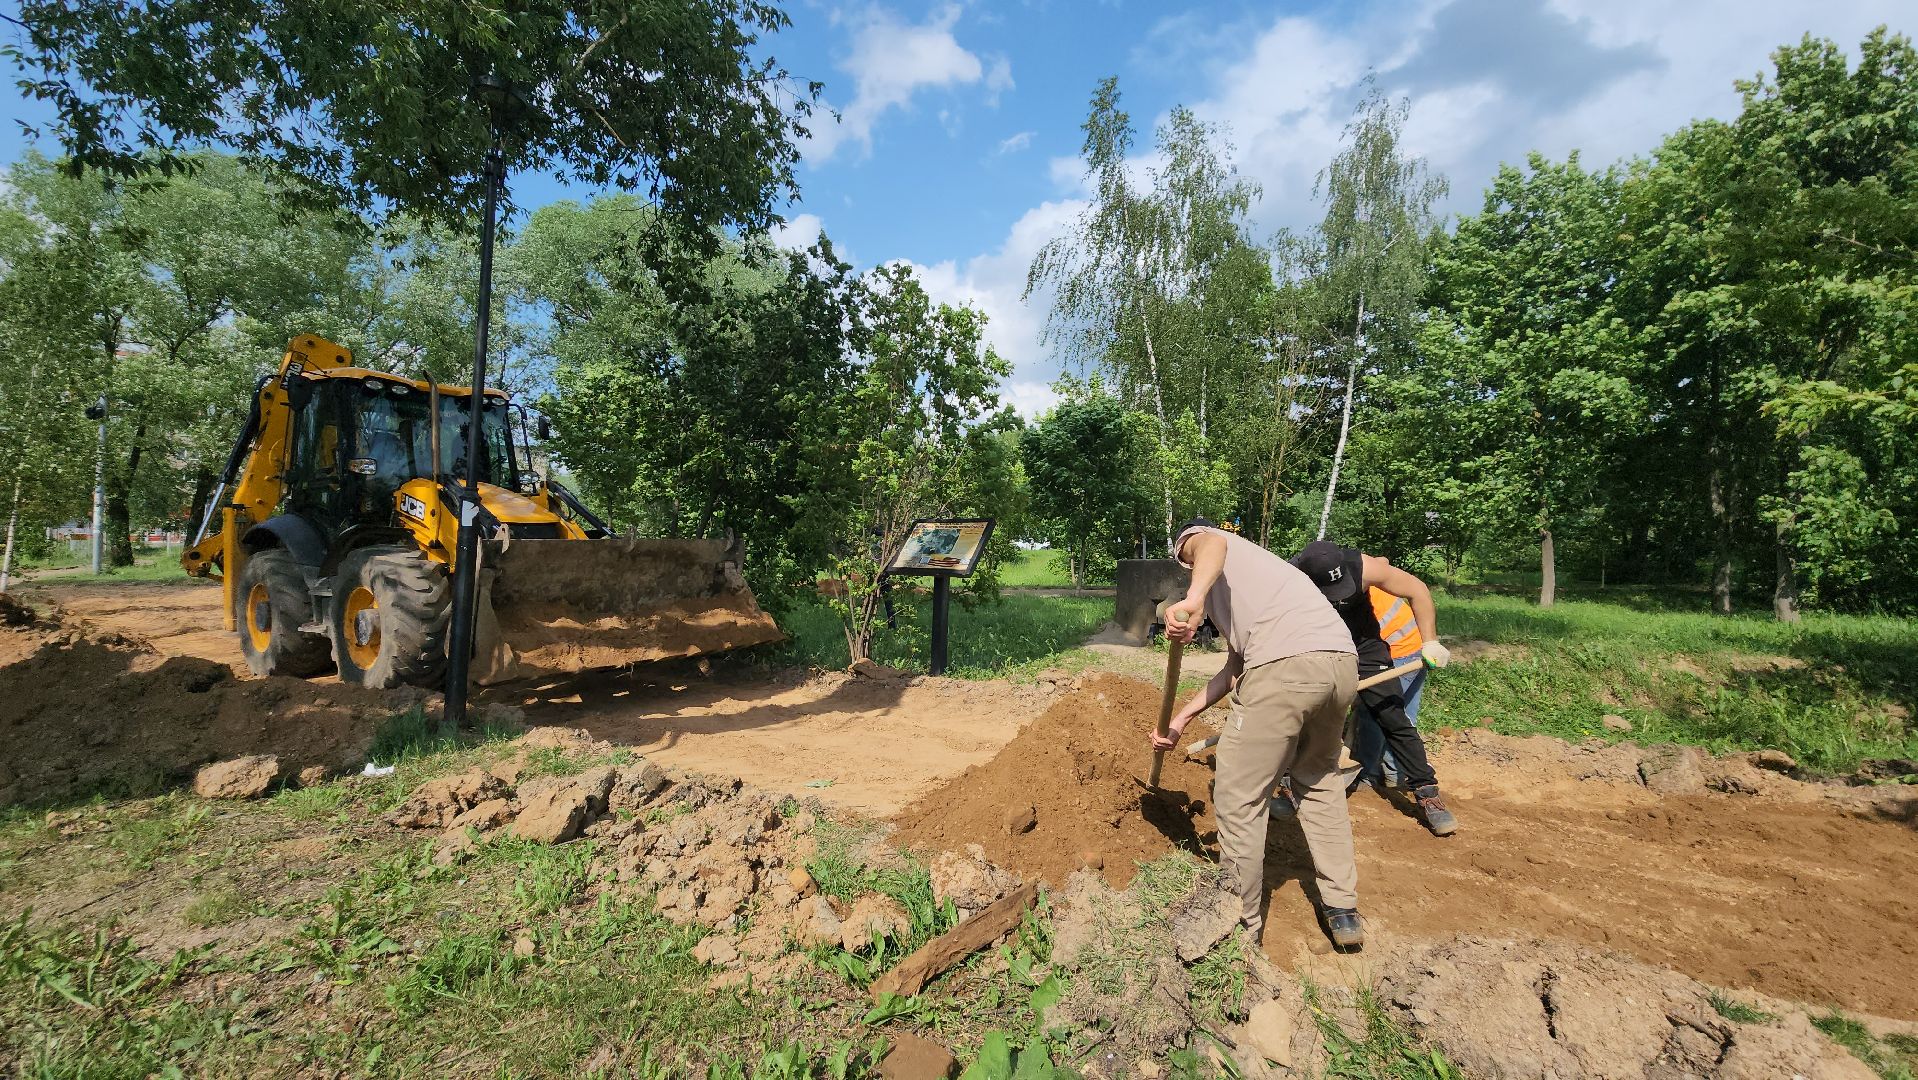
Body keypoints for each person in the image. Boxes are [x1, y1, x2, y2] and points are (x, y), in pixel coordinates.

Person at [1148, 519, 1366, 948]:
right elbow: (1234, 670)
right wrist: (1181, 719)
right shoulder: (1262, 582)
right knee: (1319, 780)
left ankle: (1237, 925)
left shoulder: (1207, 542)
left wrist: (1193, 596)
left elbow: (1208, 542)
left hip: (1285, 668)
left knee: (1239, 795)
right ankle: (1343, 909)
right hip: (1340, 664)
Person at [1290, 541, 1457, 835]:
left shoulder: (1363, 566)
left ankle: (1427, 793)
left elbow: (1417, 589)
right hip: (1316, 645)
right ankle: (1291, 783)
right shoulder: (1287, 579)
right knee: (1300, 714)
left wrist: (1430, 640)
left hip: (1365, 648)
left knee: (1393, 717)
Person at [1350, 586, 1427, 791]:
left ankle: (1366, 775)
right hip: (1416, 644)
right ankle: (1395, 774)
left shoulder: (1344, 599)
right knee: (1403, 715)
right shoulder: (1354, 581)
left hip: (1397, 651)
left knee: (1375, 713)